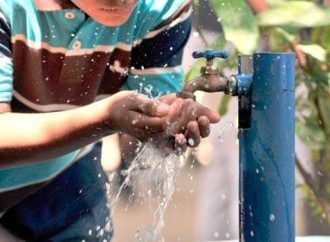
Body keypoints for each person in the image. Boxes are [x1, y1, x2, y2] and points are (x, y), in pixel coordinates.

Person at [0, 0, 220, 241]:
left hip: (64, 174)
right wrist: (104, 119)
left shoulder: (161, 6)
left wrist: (165, 123)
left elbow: (145, 127)